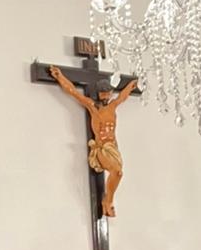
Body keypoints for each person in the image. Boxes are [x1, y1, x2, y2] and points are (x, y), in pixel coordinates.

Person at [48, 66, 137, 217]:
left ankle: (107, 200)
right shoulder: (92, 107)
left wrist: (131, 85)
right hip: (101, 148)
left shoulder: (113, 106)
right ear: (98, 93)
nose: (106, 95)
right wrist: (60, 76)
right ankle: (108, 201)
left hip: (113, 147)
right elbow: (73, 92)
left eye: (108, 92)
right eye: (103, 92)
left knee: (118, 173)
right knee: (117, 172)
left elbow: (123, 96)